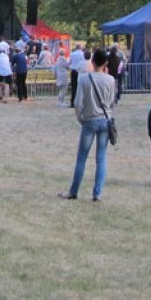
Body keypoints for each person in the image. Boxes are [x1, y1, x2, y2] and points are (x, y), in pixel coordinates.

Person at [59, 49, 117, 201]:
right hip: (105, 120)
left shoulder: (84, 79)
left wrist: (80, 118)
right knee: (101, 158)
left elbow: (78, 103)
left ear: (92, 62)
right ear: (105, 63)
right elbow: (111, 102)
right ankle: (97, 193)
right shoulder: (110, 80)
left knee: (82, 158)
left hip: (89, 120)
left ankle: (74, 191)